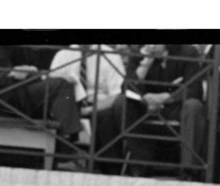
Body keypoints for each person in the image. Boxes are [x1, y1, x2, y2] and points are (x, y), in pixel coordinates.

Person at [112, 44, 207, 178]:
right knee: (121, 103)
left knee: (194, 106)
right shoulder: (139, 53)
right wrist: (145, 65)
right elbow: (126, 89)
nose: (151, 45)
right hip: (145, 107)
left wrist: (167, 98)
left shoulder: (187, 52)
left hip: (175, 107)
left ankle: (189, 170)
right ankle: (142, 164)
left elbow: (194, 89)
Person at [0, 45, 82, 144]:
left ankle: (68, 137)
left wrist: (30, 73)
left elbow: (11, 69)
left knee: (61, 85)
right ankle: (68, 140)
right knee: (60, 85)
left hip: (13, 91)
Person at [47, 44, 126, 171]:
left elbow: (116, 95)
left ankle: (108, 168)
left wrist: (90, 109)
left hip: (100, 104)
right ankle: (63, 158)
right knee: (61, 103)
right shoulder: (64, 54)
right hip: (70, 103)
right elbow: (51, 87)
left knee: (106, 117)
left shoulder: (110, 55)